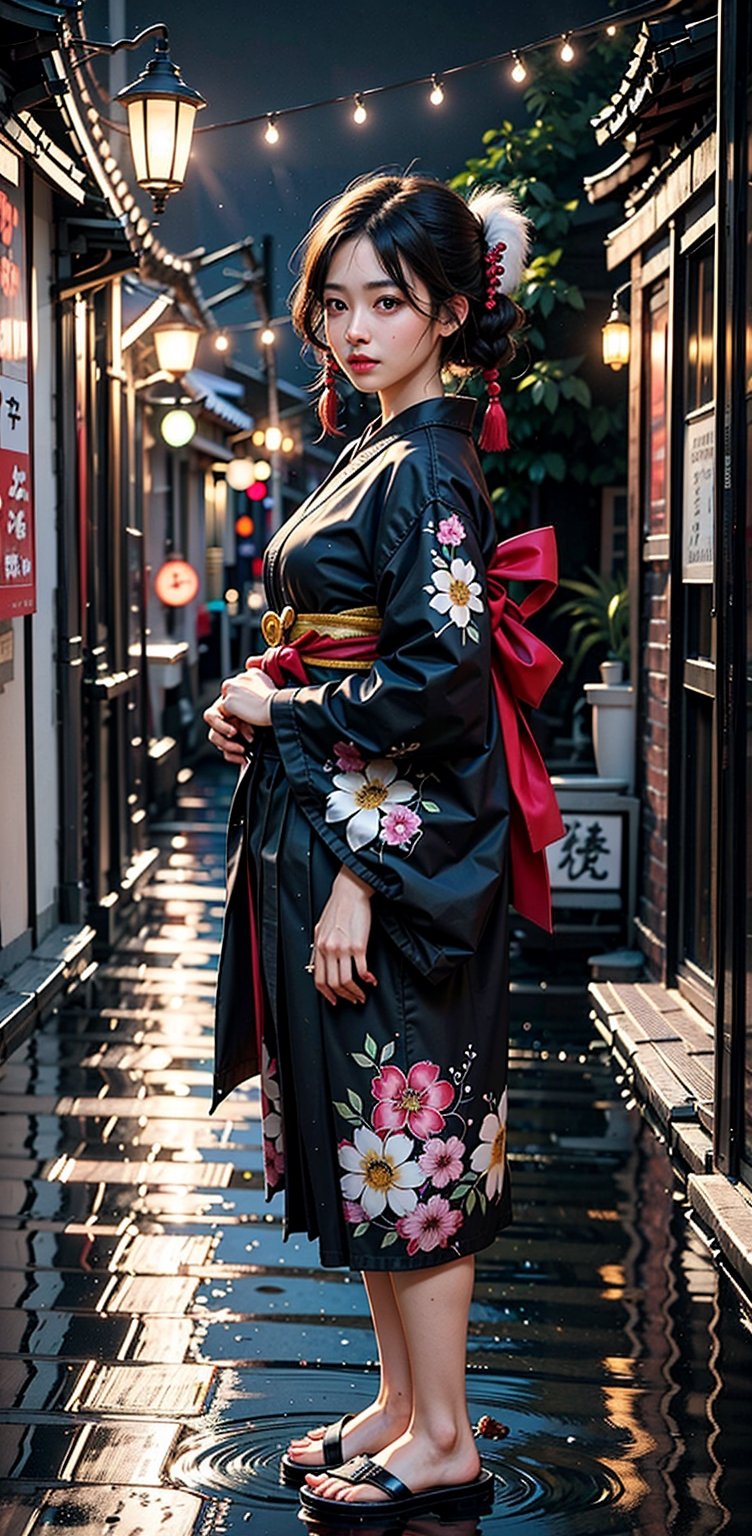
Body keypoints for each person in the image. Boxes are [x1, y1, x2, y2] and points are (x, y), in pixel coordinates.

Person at [203, 171, 565, 1523]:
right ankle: (401, 1405)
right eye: (336, 304)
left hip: (390, 864)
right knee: (374, 1128)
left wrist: (292, 722)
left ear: (452, 312)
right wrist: (282, 713)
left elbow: (436, 693)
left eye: (388, 303)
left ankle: (450, 1434)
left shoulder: (428, 465)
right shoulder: (386, 448)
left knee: (413, 1133)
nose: (356, 330)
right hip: (348, 828)